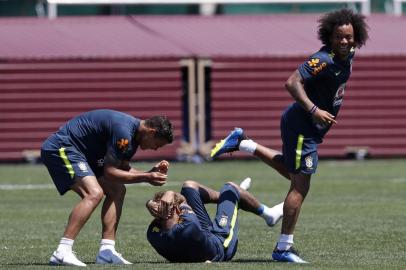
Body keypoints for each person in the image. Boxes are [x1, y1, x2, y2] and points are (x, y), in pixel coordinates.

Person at [210, 9, 369, 263]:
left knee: (295, 174)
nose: (344, 42)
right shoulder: (323, 59)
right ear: (330, 36)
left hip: (310, 130)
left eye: (349, 37)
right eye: (339, 37)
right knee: (300, 185)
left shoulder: (349, 54)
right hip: (302, 127)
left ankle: (243, 143)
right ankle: (283, 248)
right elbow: (292, 82)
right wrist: (314, 109)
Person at [41, 109, 174, 266]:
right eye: (157, 145)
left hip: (84, 155)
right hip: (63, 147)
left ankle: (107, 251)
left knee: (117, 190)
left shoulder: (133, 138)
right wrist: (146, 177)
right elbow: (110, 173)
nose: (155, 149)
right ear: (151, 132)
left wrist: (149, 173)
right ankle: (62, 251)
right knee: (94, 193)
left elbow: (122, 168)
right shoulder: (124, 132)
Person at [145, 178, 284, 262]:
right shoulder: (188, 226)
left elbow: (165, 218)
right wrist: (170, 193)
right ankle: (268, 214)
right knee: (230, 188)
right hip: (219, 244)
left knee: (189, 186)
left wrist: (150, 203)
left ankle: (234, 197)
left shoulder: (153, 234)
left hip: (199, 241)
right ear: (176, 210)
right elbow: (182, 200)